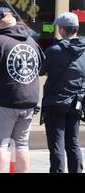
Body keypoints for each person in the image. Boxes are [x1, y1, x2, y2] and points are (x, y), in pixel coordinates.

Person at [0, 7, 44, 173]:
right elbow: (41, 67)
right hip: (28, 102)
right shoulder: (31, 41)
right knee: (21, 144)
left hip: (3, 102)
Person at [40, 12, 84, 173]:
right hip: (76, 102)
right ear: (76, 29)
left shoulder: (54, 50)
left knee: (56, 145)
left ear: (62, 30)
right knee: (73, 144)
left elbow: (41, 70)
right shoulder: (84, 50)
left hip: (55, 102)